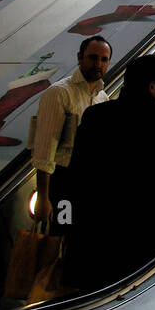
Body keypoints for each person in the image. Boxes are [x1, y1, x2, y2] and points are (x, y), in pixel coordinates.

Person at [65, 53, 155, 291]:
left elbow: (77, 169)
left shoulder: (95, 115)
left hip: (95, 232)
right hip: (140, 233)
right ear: (151, 86)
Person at [29, 35, 111, 227]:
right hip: (64, 181)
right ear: (80, 58)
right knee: (63, 234)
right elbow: (45, 146)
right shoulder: (59, 93)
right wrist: (43, 197)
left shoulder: (102, 98)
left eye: (104, 59)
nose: (98, 64)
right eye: (93, 57)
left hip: (91, 182)